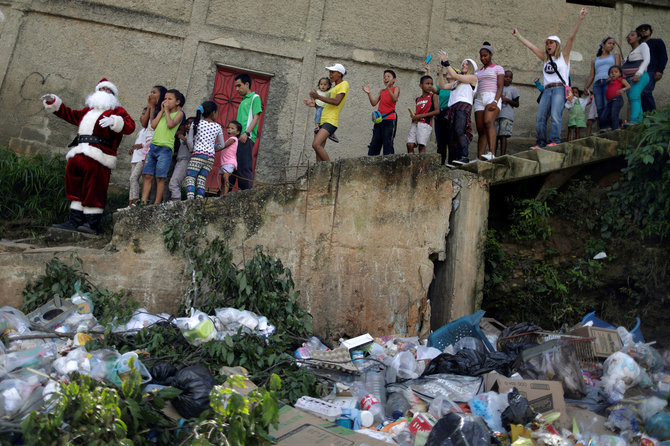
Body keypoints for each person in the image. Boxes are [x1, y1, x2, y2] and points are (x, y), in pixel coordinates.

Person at [42, 78, 136, 234]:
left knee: (94, 188)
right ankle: (75, 220)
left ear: (113, 95)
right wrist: (54, 103)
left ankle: (92, 223)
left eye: (108, 90)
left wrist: (115, 121)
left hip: (99, 155)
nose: (104, 92)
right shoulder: (87, 111)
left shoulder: (117, 111)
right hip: (78, 153)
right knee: (74, 187)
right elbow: (69, 115)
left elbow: (130, 126)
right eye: (102, 89)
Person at [513, 7, 587, 148]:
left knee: (555, 116)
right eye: (546, 43)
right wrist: (519, 36)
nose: (548, 45)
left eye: (551, 42)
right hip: (547, 90)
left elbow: (571, 37)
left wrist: (580, 19)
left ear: (557, 45)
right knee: (540, 117)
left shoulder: (563, 56)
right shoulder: (545, 58)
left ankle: (555, 141)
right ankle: (541, 143)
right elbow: (531, 47)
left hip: (559, 89)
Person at [141, 89, 185, 204]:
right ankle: (143, 201)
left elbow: (170, 125)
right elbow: (153, 125)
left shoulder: (179, 114)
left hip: (165, 149)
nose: (166, 101)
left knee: (160, 177)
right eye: (165, 98)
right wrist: (161, 111)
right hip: (154, 146)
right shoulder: (162, 113)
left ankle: (156, 203)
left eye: (170, 99)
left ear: (177, 102)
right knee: (148, 175)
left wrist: (166, 111)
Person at [439, 52, 478, 164]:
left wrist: (446, 63)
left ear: (471, 68)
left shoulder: (472, 78)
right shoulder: (457, 82)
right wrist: (441, 73)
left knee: (459, 130)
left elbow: (455, 75)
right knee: (452, 135)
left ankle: (464, 156)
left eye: (466, 64)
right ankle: (455, 159)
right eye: (463, 64)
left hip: (463, 106)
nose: (463, 66)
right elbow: (443, 86)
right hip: (453, 107)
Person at [305, 63, 349, 162]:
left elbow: (337, 102)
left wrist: (319, 97)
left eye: (332, 72)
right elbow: (326, 103)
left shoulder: (344, 84)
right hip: (322, 120)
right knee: (318, 149)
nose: (330, 74)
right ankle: (319, 173)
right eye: (330, 72)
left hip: (330, 120)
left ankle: (330, 168)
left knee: (315, 144)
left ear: (340, 73)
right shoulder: (333, 88)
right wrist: (315, 104)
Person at [184, 101, 227, 200]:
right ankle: (199, 201)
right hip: (210, 157)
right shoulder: (218, 126)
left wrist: (192, 150)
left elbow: (190, 141)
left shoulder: (196, 123)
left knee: (190, 177)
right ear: (213, 112)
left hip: (198, 155)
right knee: (201, 180)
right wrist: (212, 149)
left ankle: (190, 200)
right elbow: (222, 144)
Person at [474, 42, 504, 160]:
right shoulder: (478, 72)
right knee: (481, 130)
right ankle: (480, 157)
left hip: (492, 97)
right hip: (479, 99)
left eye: (485, 55)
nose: (483, 58)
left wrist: (496, 101)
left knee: (488, 122)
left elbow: (500, 86)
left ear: (491, 55)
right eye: (481, 56)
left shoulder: (498, 68)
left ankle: (491, 153)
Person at [584, 37, 621, 132]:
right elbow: (592, 75)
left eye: (613, 44)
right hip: (597, 84)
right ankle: (604, 127)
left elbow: (618, 70)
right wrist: (586, 86)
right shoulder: (595, 60)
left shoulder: (615, 56)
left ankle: (612, 125)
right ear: (603, 45)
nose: (612, 45)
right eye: (609, 43)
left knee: (607, 105)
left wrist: (611, 79)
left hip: (608, 82)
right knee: (599, 106)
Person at [233, 73, 263, 189]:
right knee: (234, 165)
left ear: (247, 84)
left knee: (244, 167)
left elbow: (256, 117)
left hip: (246, 137)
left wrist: (247, 133)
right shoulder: (243, 100)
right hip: (238, 137)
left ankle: (246, 194)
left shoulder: (255, 97)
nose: (237, 89)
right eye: (236, 86)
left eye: (239, 86)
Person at [363, 69, 399, 156]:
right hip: (379, 120)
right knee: (374, 144)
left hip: (390, 120)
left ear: (394, 79)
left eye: (388, 76)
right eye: (384, 77)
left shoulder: (396, 88)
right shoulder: (382, 91)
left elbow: (394, 99)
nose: (385, 78)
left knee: (388, 143)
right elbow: (374, 103)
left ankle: (389, 165)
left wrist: (388, 89)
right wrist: (369, 93)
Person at [425, 61, 451, 164]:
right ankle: (441, 163)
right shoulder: (442, 87)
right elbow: (432, 87)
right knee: (440, 142)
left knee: (450, 140)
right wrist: (428, 71)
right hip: (440, 114)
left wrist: (441, 73)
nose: (448, 73)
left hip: (450, 114)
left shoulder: (455, 86)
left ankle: (450, 163)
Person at [636, 24, 667, 113]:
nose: (644, 31)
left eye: (646, 29)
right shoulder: (639, 46)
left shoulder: (657, 42)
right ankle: (645, 117)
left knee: (646, 92)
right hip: (640, 72)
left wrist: (660, 70)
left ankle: (652, 117)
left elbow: (663, 57)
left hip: (652, 71)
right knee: (640, 94)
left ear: (650, 31)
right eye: (641, 30)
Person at [623, 30, 650, 125]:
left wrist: (638, 73)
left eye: (632, 35)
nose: (629, 37)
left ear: (639, 37)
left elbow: (647, 60)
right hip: (629, 78)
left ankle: (635, 120)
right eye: (628, 36)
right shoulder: (630, 54)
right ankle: (640, 121)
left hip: (640, 76)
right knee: (632, 98)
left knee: (634, 96)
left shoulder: (643, 46)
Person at [406, 75, 439, 154]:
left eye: (431, 84)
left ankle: (421, 166)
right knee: (410, 144)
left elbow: (437, 111)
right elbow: (419, 112)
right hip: (416, 123)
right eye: (427, 83)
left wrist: (420, 116)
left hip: (425, 124)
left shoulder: (433, 96)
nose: (430, 86)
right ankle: (412, 164)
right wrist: (414, 116)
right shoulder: (418, 99)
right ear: (421, 85)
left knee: (421, 145)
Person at [168, 117, 195, 201]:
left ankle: (176, 203)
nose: (188, 126)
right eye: (187, 124)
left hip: (185, 161)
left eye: (191, 124)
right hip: (180, 161)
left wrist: (182, 137)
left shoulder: (194, 138)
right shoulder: (186, 138)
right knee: (176, 183)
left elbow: (191, 148)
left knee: (173, 183)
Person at [495, 70, 519, 156]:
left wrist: (507, 100)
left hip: (506, 116)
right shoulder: (497, 88)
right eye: (506, 77)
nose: (508, 79)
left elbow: (517, 104)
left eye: (510, 77)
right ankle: (493, 155)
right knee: (495, 136)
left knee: (503, 135)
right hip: (496, 116)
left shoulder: (513, 89)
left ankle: (502, 155)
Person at [603, 66, 631, 131]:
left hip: (617, 99)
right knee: (606, 116)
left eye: (616, 72)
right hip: (610, 101)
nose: (613, 73)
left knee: (614, 114)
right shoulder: (610, 82)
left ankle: (615, 129)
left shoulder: (621, 79)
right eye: (611, 72)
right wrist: (608, 80)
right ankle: (621, 122)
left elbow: (629, 86)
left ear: (620, 74)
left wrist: (623, 89)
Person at [219, 121, 242, 196]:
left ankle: (224, 196)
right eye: (228, 128)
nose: (229, 129)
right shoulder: (229, 139)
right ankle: (221, 195)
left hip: (229, 162)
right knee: (223, 180)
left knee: (225, 178)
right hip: (224, 162)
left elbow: (224, 145)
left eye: (232, 128)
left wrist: (216, 147)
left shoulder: (233, 139)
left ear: (237, 132)